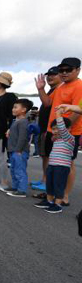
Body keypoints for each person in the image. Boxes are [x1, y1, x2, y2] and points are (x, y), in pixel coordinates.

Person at [36, 57, 82, 206]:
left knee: (68, 163)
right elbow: (48, 103)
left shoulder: (79, 86)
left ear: (78, 70)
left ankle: (64, 196)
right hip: (53, 130)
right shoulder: (61, 86)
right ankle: (53, 194)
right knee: (54, 161)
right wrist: (41, 89)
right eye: (61, 70)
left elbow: (77, 111)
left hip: (69, 133)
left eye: (68, 70)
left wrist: (63, 132)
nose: (64, 73)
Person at [33, 110, 74, 214]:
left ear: (68, 129)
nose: (55, 131)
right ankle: (49, 201)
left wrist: (58, 116)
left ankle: (58, 205)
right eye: (54, 129)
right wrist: (55, 136)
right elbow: (54, 137)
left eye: (58, 129)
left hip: (61, 167)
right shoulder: (57, 139)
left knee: (58, 185)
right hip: (52, 165)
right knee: (50, 184)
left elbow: (62, 130)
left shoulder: (69, 139)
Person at [31, 67, 62, 194]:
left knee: (48, 157)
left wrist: (40, 89)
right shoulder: (52, 90)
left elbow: (48, 104)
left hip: (52, 129)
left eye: (54, 74)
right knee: (45, 156)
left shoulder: (60, 89)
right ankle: (44, 179)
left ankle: (47, 182)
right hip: (44, 128)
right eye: (49, 75)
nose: (50, 77)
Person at [2, 99, 33, 198]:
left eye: (16, 107)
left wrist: (18, 150)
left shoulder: (23, 122)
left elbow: (23, 137)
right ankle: (15, 187)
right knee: (14, 169)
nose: (13, 109)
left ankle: (21, 190)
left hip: (19, 151)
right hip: (13, 150)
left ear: (24, 110)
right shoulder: (17, 121)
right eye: (13, 107)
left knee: (19, 170)